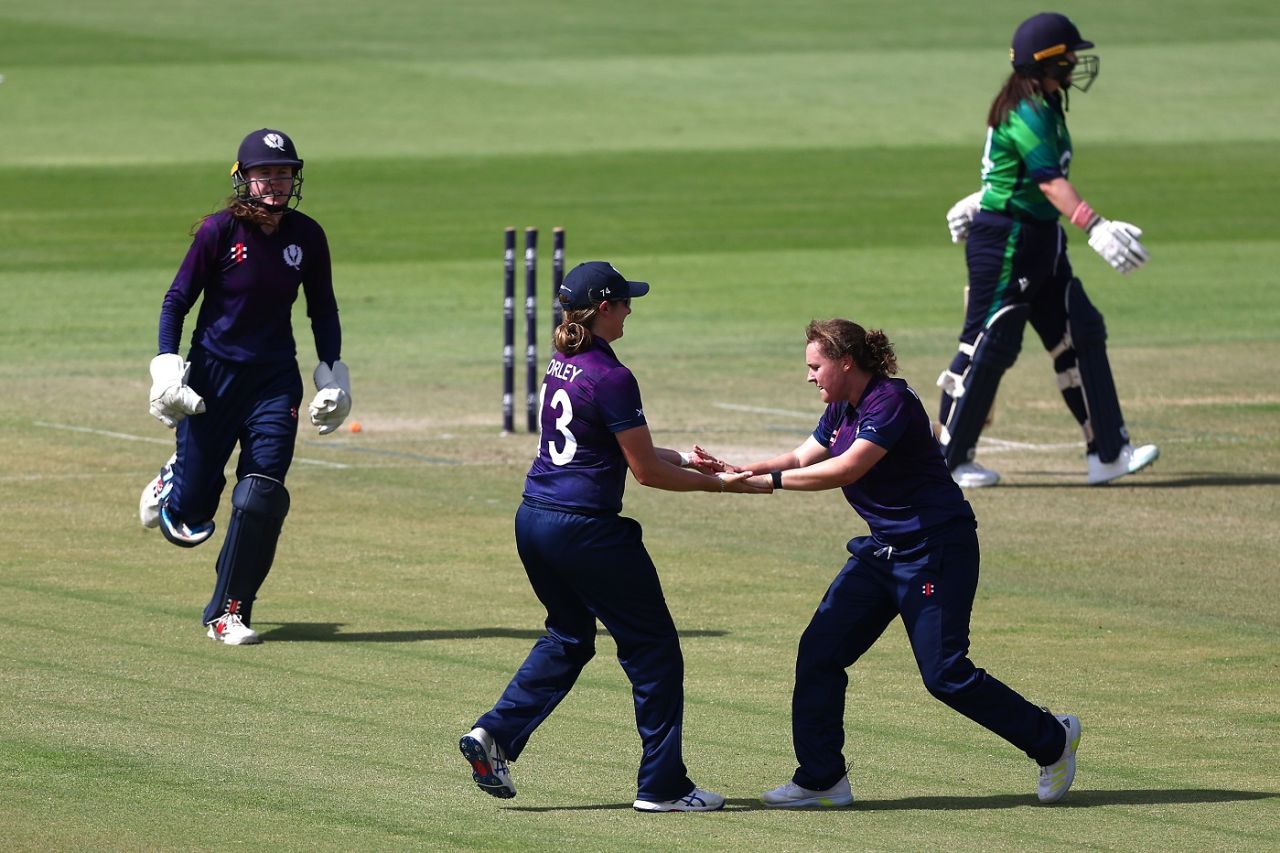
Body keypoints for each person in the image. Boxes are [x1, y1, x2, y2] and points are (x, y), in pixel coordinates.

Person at [703, 319, 1079, 807]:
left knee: (945, 674)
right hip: (884, 552)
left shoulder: (891, 402)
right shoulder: (842, 406)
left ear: (845, 362)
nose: (809, 376)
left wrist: (763, 485)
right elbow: (802, 458)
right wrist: (740, 469)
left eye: (815, 366)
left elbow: (845, 468)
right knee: (819, 651)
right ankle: (823, 780)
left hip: (935, 550)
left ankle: (1052, 738)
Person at [459, 261, 768, 812]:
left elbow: (615, 447)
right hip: (587, 531)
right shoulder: (613, 375)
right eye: (625, 302)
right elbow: (645, 473)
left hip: (534, 520)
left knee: (569, 637)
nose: (630, 309)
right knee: (654, 652)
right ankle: (663, 787)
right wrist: (721, 485)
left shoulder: (565, 362)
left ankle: (495, 734)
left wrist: (687, 460)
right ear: (604, 309)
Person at [137, 128, 351, 646]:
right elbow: (176, 301)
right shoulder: (217, 232)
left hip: (275, 380)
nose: (277, 182)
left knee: (261, 496)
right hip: (213, 378)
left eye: (285, 173)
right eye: (266, 174)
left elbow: (322, 307)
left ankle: (227, 612)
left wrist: (334, 376)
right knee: (189, 519)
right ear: (244, 179)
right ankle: (175, 484)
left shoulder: (307, 235)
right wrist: (167, 368)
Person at [939, 12, 1158, 488]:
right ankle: (947, 462)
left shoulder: (1046, 101)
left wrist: (985, 194)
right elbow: (1048, 180)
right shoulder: (1027, 110)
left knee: (1080, 330)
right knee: (989, 342)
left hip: (1041, 236)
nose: (1077, 61)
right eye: (1068, 56)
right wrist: (1094, 226)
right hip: (1007, 241)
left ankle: (1108, 452)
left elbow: (1011, 171)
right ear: (1047, 62)